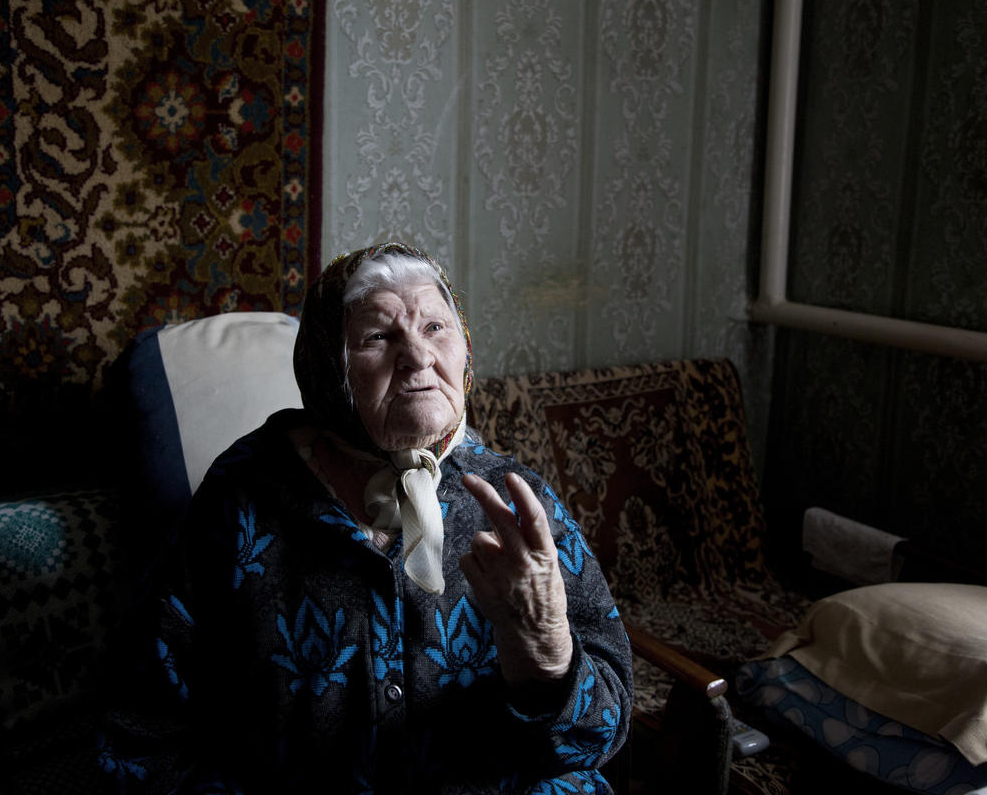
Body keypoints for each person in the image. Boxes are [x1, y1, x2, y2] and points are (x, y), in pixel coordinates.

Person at [98, 242, 632, 793]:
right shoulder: (243, 501)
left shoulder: (517, 502)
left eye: (435, 328)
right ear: (331, 368)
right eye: (379, 337)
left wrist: (544, 649)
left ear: (465, 349)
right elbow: (142, 725)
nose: (418, 357)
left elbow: (600, 738)